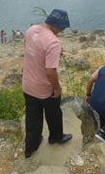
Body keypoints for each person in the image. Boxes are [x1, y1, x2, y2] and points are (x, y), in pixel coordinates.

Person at [22, 9, 72, 158]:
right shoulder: (53, 42)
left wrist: (54, 54)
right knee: (54, 114)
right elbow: (50, 72)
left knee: (32, 117)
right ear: (57, 25)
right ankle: (55, 137)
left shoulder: (30, 30)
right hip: (44, 89)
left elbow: (32, 50)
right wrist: (56, 88)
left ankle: (30, 147)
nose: (62, 31)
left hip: (28, 84)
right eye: (62, 28)